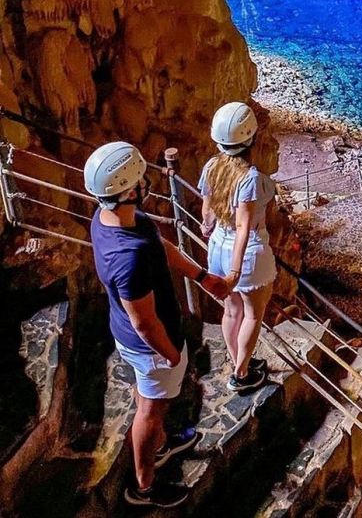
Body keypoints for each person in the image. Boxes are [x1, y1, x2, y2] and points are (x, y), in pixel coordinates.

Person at [85, 141, 230, 508]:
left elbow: (158, 242)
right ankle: (144, 487)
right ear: (129, 190)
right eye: (140, 180)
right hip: (150, 346)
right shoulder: (128, 258)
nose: (146, 183)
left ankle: (163, 445)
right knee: (151, 410)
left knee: (152, 399)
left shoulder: (109, 220)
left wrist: (201, 276)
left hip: (133, 339)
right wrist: (171, 356)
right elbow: (144, 321)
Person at [199, 102, 277, 393]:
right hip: (246, 255)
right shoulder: (250, 180)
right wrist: (234, 271)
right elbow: (244, 226)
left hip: (216, 246)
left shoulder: (211, 167)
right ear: (252, 139)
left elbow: (206, 212)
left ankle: (237, 360)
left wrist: (207, 229)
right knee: (253, 314)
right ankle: (241, 374)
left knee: (231, 312)